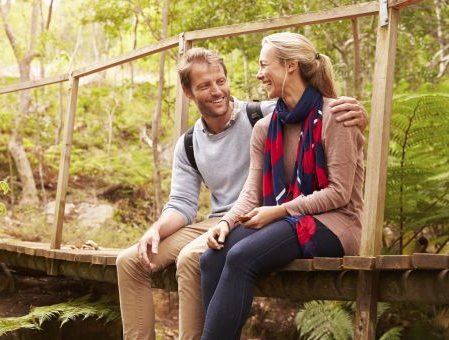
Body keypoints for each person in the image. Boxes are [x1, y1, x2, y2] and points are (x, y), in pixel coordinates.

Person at [116, 47, 367, 340]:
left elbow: (318, 110)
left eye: (220, 81)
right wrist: (156, 230)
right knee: (130, 260)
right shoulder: (188, 143)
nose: (216, 91)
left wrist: (358, 114)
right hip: (222, 219)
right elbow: (183, 204)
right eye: (204, 86)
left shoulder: (263, 114)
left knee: (191, 257)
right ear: (188, 93)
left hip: (264, 217)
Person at [199, 32, 365, 340]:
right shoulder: (265, 127)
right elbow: (251, 192)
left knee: (241, 256)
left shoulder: (336, 116)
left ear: (289, 66)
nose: (259, 74)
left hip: (336, 224)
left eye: (264, 65)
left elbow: (340, 193)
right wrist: (225, 223)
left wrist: (279, 211)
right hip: (290, 218)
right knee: (212, 256)